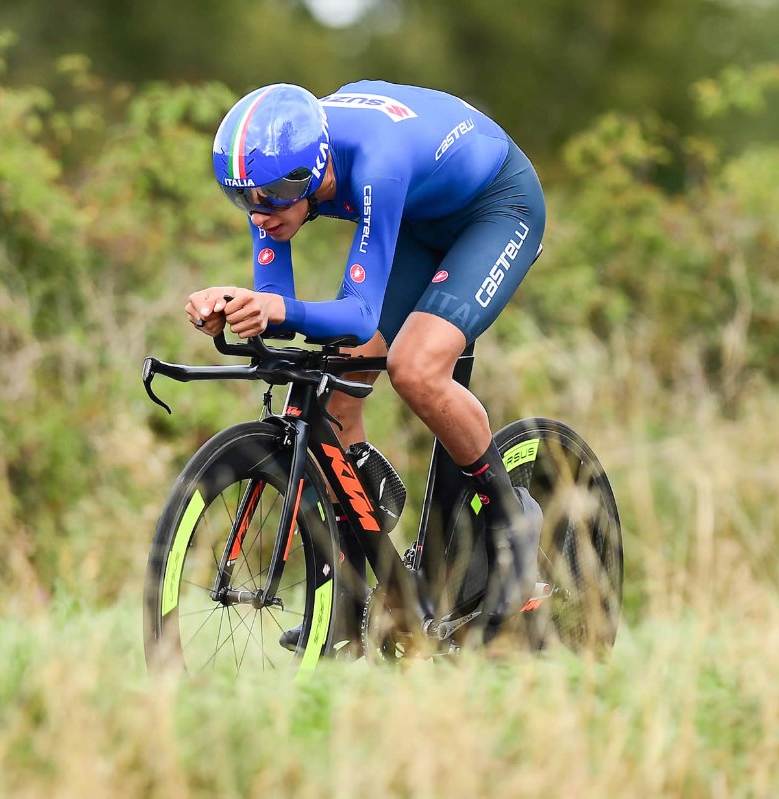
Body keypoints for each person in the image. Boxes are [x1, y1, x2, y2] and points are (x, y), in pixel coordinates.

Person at [186, 80, 545, 644]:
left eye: (273, 198)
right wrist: (236, 309)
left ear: (314, 171)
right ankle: (350, 601)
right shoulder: (272, 179)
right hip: (416, 219)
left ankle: (510, 521)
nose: (260, 215)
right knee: (327, 387)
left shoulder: (374, 160)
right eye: (243, 198)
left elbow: (356, 316)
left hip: (494, 207)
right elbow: (278, 305)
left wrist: (276, 308)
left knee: (415, 368)